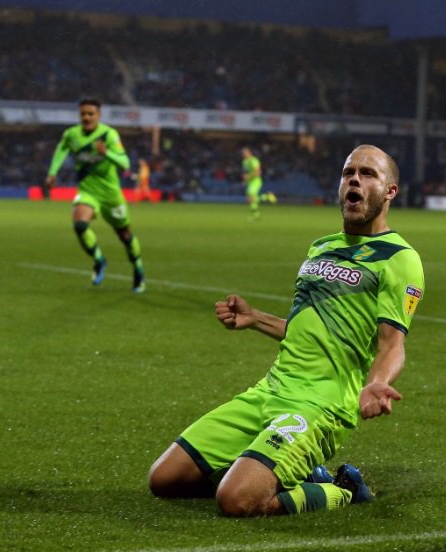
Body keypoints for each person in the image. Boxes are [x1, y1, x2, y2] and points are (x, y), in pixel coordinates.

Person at [148, 145, 425, 517]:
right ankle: (277, 469)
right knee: (163, 479)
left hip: (321, 404)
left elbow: (393, 344)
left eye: (368, 173)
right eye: (348, 173)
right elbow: (307, 328)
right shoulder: (321, 247)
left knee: (236, 500)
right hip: (271, 390)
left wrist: (376, 382)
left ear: (390, 191)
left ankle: (342, 490)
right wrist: (255, 318)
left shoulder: (399, 258)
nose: (354, 180)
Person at [46, 98, 146, 292]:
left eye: (90, 114)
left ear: (98, 115)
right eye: (83, 114)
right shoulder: (72, 134)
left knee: (125, 235)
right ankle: (99, 260)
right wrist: (52, 172)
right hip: (88, 191)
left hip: (110, 194)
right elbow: (62, 148)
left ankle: (138, 270)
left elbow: (125, 163)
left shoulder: (109, 135)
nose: (86, 117)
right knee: (80, 225)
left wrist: (106, 153)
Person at [241, 146, 276, 220]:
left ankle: (267, 196)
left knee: (251, 199)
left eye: (245, 152)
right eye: (243, 153)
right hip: (250, 182)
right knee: (250, 200)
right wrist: (245, 180)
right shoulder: (244, 162)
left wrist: (249, 176)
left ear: (249, 153)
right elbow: (245, 172)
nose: (244, 154)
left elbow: (258, 172)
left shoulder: (253, 160)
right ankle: (256, 215)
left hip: (256, 181)